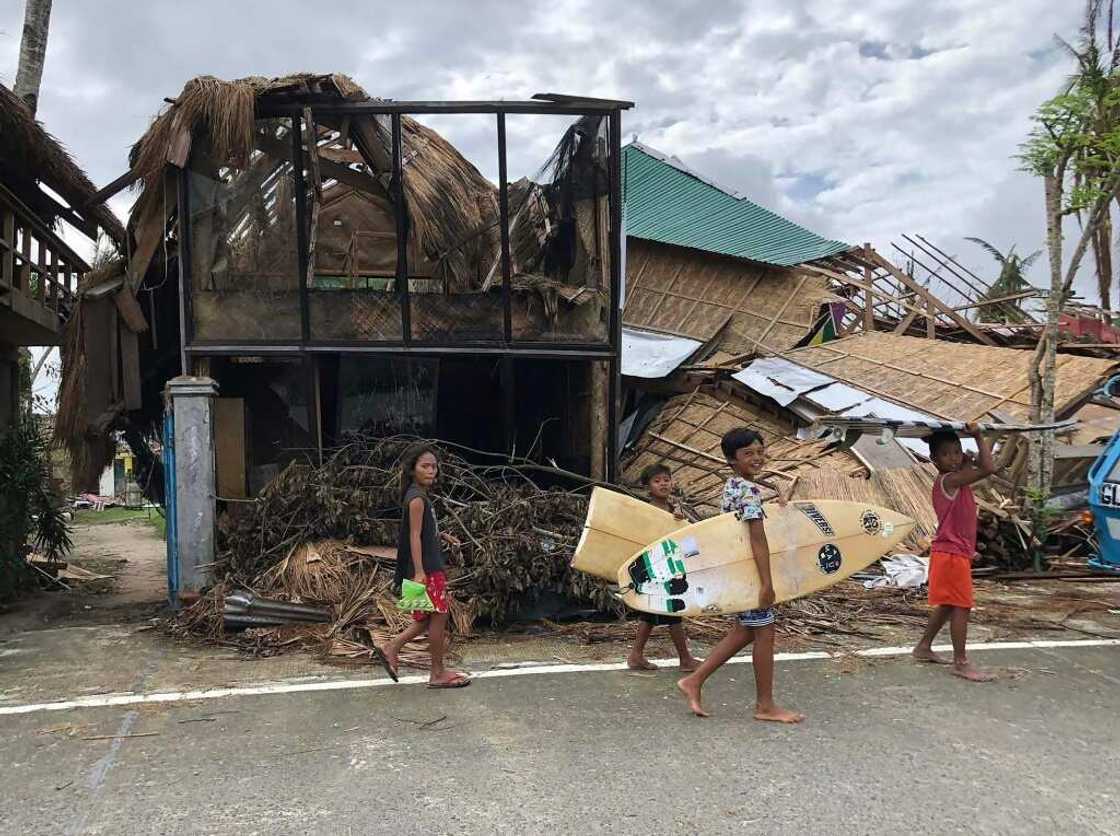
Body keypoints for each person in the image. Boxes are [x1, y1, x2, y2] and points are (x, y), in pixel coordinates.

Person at [676, 428, 804, 722]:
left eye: (760, 452)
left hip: (737, 571)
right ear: (731, 460)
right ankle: (765, 706)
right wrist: (767, 583)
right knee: (764, 632)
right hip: (749, 573)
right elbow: (757, 538)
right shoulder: (748, 490)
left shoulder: (735, 485)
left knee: (745, 631)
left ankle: (693, 681)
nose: (757, 458)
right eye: (748, 454)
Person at [376, 443, 470, 689]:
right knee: (440, 616)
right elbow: (414, 536)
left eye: (434, 466)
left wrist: (443, 535)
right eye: (425, 466)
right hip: (426, 569)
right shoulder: (417, 498)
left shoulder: (417, 495)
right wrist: (420, 572)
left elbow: (423, 532)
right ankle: (437, 673)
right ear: (412, 469)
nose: (431, 471)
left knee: (424, 619)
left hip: (416, 568)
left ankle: (391, 647)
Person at [912, 425, 997, 682]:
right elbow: (988, 468)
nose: (954, 457)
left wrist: (967, 461)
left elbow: (980, 468)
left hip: (954, 552)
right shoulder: (949, 480)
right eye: (947, 454)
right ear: (934, 460)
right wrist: (979, 437)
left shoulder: (956, 480)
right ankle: (961, 662)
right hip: (950, 554)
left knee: (949, 604)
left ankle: (923, 647)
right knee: (961, 606)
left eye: (957, 452)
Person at [627, 463, 701, 672]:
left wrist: (679, 522)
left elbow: (684, 536)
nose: (663, 484)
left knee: (652, 614)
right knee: (671, 611)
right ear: (648, 487)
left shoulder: (674, 509)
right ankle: (684, 659)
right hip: (654, 566)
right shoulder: (647, 510)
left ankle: (636, 655)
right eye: (657, 481)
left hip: (671, 566)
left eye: (666, 480)